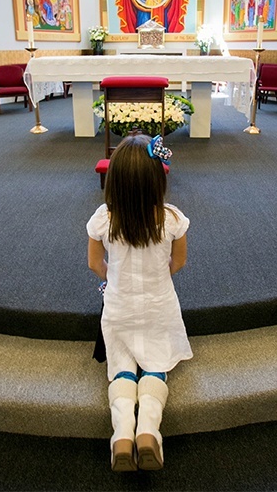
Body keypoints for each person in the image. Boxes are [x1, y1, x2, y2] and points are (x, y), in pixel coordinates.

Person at [86, 134, 193, 472]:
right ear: (158, 180)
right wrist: (158, 278)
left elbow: (93, 265)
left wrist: (112, 280)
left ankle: (121, 433)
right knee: (155, 364)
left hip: (118, 307)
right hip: (159, 305)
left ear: (113, 182)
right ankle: (148, 430)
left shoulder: (104, 218)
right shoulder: (172, 219)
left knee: (121, 366)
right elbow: (179, 263)